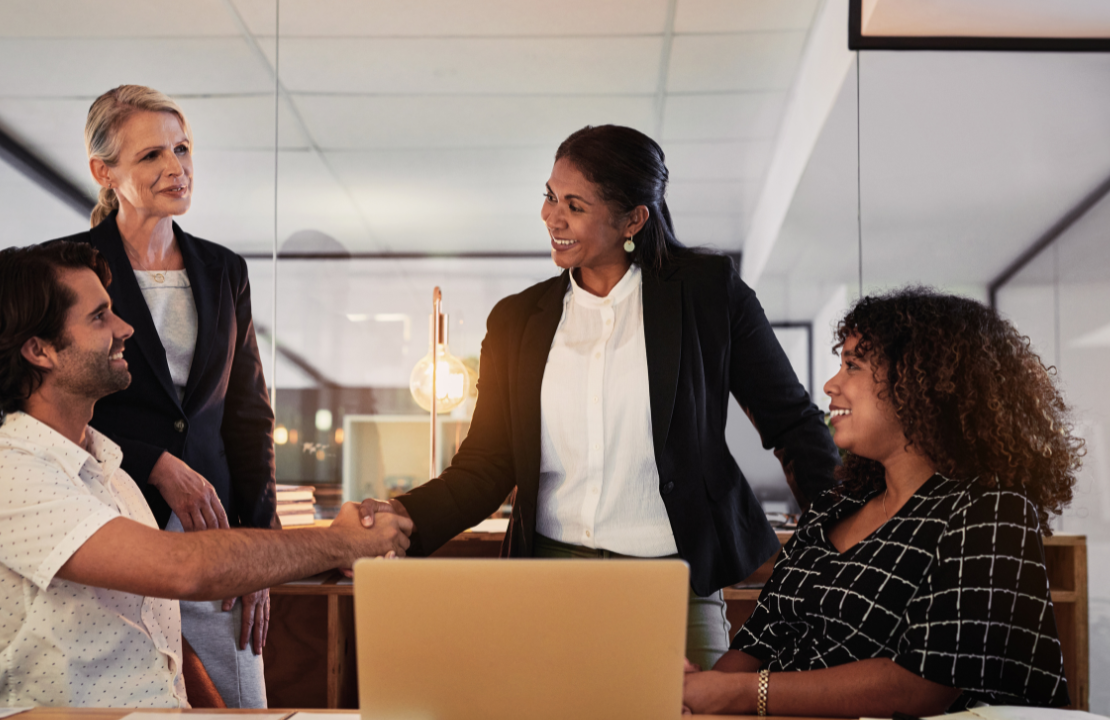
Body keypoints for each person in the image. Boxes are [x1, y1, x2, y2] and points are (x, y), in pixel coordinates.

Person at [358, 124, 840, 668]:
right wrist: (401, 514)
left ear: (633, 219)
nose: (551, 217)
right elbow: (486, 466)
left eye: (574, 205)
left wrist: (842, 540)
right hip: (548, 580)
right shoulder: (518, 320)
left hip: (672, 585)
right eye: (548, 195)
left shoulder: (707, 293)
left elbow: (793, 424)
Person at [0, 241, 411, 707]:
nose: (125, 328)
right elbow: (182, 569)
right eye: (99, 317)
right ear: (40, 350)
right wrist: (343, 541)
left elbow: (156, 638)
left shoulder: (110, 472)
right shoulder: (0, 469)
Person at [682, 287, 1081, 716]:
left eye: (853, 365)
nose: (831, 384)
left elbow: (921, 686)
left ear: (920, 382)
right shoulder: (833, 507)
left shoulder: (989, 511)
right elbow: (757, 642)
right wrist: (696, 692)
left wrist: (741, 693)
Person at [52, 85, 274, 707]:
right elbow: (47, 407)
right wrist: (150, 458)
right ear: (105, 172)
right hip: (109, 521)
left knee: (240, 704)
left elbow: (248, 414)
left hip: (214, 528)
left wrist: (261, 548)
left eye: (182, 149)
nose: (175, 167)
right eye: (151, 155)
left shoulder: (224, 270)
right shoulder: (63, 269)